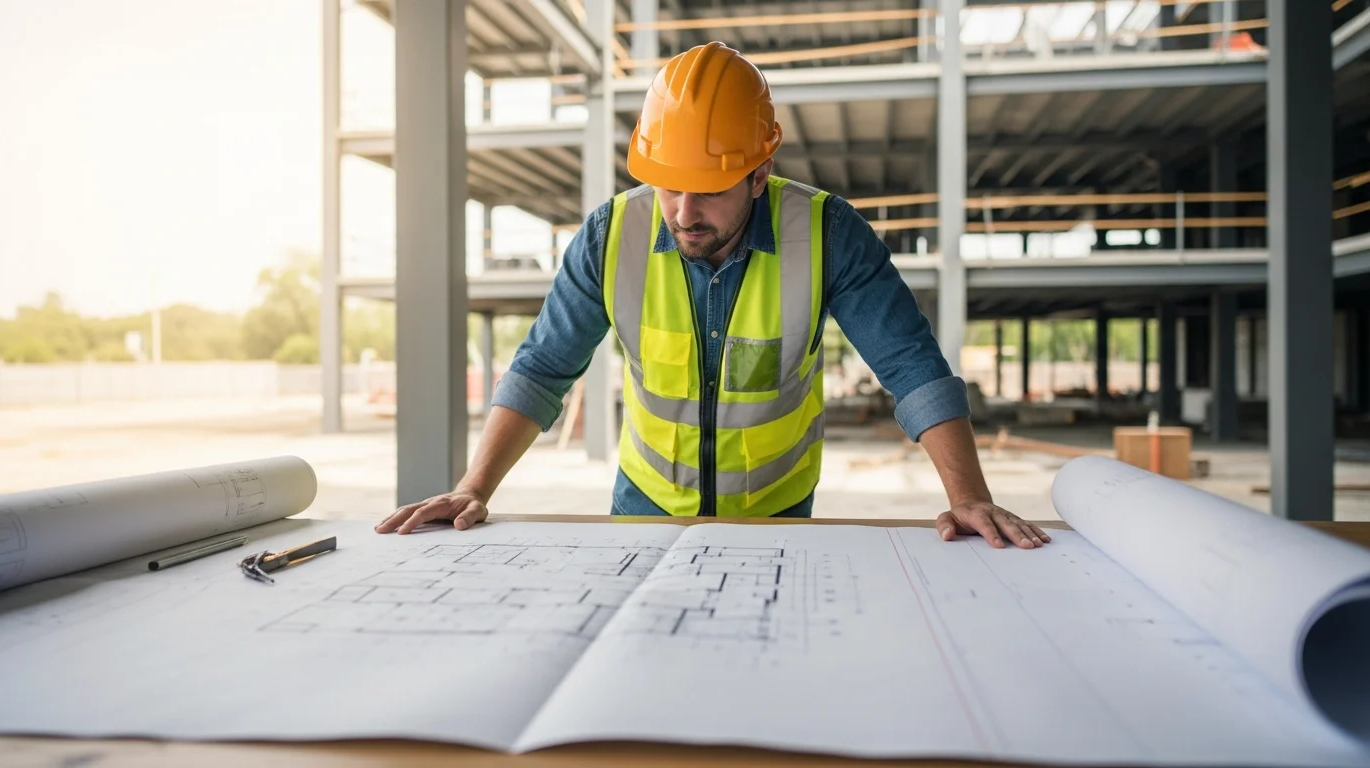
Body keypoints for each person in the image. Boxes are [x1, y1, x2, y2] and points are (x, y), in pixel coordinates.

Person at [377, 41, 1049, 550]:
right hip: (644, 501)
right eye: (670, 184)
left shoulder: (828, 233)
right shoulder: (612, 236)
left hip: (777, 508)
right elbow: (542, 369)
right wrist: (472, 490)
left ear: (760, 173)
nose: (684, 210)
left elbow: (910, 364)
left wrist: (970, 496)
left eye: (709, 188)